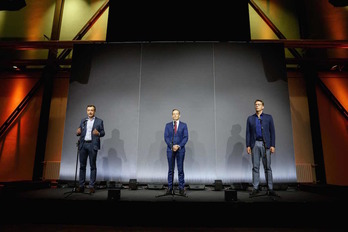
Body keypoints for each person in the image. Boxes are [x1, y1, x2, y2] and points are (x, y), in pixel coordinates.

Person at [246, 99, 277, 197]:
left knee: (267, 167)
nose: (257, 106)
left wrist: (272, 145)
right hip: (255, 144)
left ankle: (270, 188)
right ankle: (255, 188)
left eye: (259, 104)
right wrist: (248, 145)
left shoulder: (268, 118)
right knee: (255, 167)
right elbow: (248, 133)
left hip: (266, 145)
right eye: (255, 104)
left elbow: (272, 132)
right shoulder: (250, 118)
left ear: (263, 106)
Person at [76, 105, 105, 194]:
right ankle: (81, 186)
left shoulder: (99, 121)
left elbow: (103, 132)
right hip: (83, 144)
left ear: (94, 111)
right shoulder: (83, 121)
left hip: (93, 145)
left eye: (92, 110)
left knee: (92, 166)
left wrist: (98, 133)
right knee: (82, 166)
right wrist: (78, 132)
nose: (90, 112)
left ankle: (91, 186)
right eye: (88, 110)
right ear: (86, 111)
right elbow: (79, 131)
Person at [164, 109, 188, 196]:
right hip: (170, 150)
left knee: (180, 170)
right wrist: (172, 146)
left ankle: (181, 188)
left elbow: (185, 137)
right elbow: (166, 137)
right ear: (171, 116)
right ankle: (170, 188)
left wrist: (178, 146)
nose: (175, 115)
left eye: (176, 114)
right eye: (173, 114)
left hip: (180, 150)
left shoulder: (184, 125)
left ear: (179, 115)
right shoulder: (168, 125)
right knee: (171, 170)